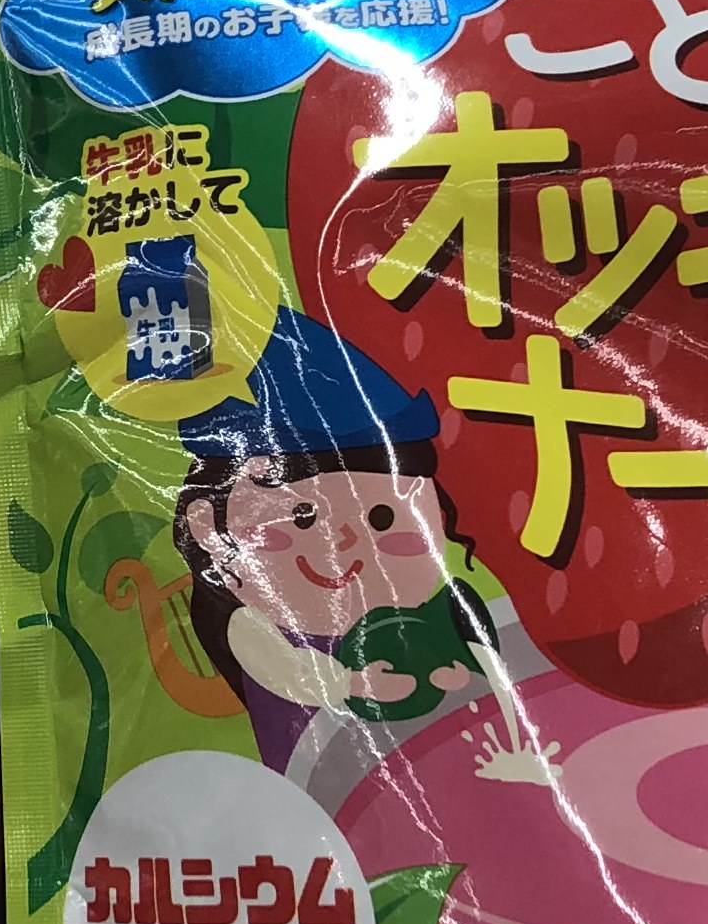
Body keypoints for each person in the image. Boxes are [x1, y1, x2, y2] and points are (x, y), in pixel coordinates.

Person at [172, 310, 491, 784]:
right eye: (302, 516)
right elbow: (286, 671)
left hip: (456, 773)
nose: (342, 539)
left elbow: (483, 679)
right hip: (323, 795)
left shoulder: (442, 608)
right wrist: (350, 683)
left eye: (382, 517)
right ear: (208, 529)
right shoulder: (250, 625)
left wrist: (457, 675)